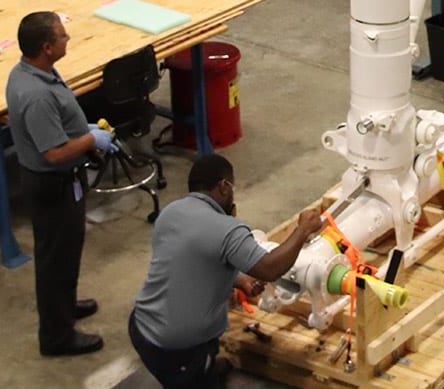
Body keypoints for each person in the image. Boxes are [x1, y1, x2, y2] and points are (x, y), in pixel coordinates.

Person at [129, 154, 326, 387]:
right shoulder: (227, 229)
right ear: (224, 186)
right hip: (176, 348)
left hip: (141, 325)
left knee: (200, 363)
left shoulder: (170, 212)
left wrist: (238, 280)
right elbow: (270, 268)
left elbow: (192, 261)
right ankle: (198, 374)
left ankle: (205, 368)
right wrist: (302, 230)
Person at [5, 12, 118, 357]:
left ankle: (64, 307)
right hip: (52, 183)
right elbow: (53, 152)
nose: (68, 39)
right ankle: (57, 337)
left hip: (64, 180)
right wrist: (90, 141)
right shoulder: (36, 95)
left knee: (67, 253)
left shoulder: (35, 72)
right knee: (55, 259)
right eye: (63, 37)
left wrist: (81, 128)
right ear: (46, 46)